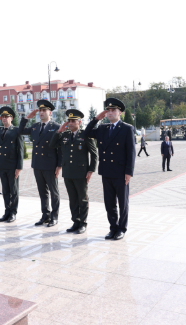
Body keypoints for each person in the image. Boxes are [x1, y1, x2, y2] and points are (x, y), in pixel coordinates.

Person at [85, 98, 136, 241]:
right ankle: (113, 228)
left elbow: (131, 152)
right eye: (108, 110)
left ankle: (122, 228)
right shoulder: (102, 128)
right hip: (106, 171)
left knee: (123, 203)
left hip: (120, 172)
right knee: (109, 203)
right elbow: (87, 133)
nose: (110, 112)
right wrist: (96, 119)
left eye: (113, 110)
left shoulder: (127, 128)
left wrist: (129, 172)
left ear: (120, 112)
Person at [49, 109, 97, 234]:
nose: (70, 123)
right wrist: (59, 131)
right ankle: (75, 222)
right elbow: (52, 145)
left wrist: (91, 170)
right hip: (68, 172)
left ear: (79, 122)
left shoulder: (85, 135)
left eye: (73, 121)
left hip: (81, 173)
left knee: (82, 199)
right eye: (69, 121)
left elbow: (94, 154)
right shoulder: (64, 135)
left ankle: (83, 223)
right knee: (73, 199)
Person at [19, 100, 62, 227]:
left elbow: (60, 149)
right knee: (42, 192)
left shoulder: (56, 127)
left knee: (54, 192)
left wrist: (59, 165)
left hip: (50, 165)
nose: (41, 112)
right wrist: (26, 118)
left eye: (44, 110)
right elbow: (20, 131)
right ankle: (45, 215)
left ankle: (54, 217)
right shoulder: (35, 126)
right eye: (40, 110)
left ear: (50, 112)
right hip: (37, 164)